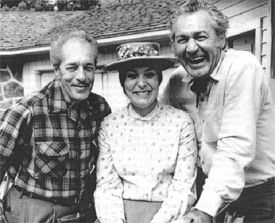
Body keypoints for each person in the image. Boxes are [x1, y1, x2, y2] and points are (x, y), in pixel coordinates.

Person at [160, 0, 275, 222]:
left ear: (221, 39)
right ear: (173, 47)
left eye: (200, 37)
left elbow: (235, 147)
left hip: (259, 195)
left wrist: (205, 208)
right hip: (207, 188)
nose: (191, 48)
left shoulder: (242, 67)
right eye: (182, 39)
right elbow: (161, 128)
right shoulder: (176, 82)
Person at [0, 30, 111, 223]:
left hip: (81, 213)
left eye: (89, 67)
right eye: (72, 68)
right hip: (31, 212)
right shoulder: (29, 110)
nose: (82, 77)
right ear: (57, 70)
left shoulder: (99, 109)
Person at [93, 42, 198, 223]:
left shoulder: (181, 122)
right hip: (121, 216)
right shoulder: (110, 126)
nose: (141, 84)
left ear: (159, 79)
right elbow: (106, 186)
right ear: (122, 83)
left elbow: (183, 186)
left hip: (171, 216)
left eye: (149, 74)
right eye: (132, 76)